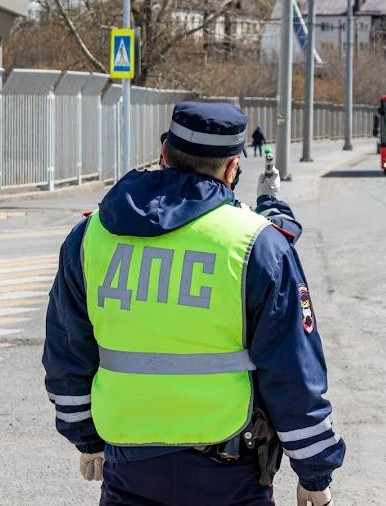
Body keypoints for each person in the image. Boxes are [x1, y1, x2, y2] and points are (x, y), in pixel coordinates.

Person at [43, 101, 344, 506]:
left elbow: (66, 349)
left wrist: (86, 439)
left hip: (128, 468)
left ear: (163, 154)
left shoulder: (91, 235)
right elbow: (292, 371)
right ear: (232, 167)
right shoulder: (256, 245)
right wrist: (314, 471)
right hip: (229, 472)